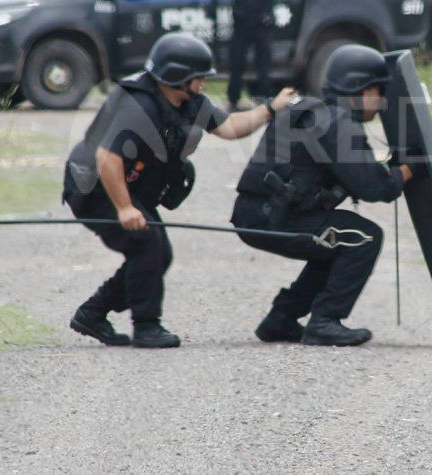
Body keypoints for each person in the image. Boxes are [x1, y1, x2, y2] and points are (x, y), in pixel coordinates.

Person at [63, 33, 296, 348]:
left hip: (124, 184)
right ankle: (146, 327)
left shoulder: (190, 103)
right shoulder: (139, 104)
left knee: (159, 253)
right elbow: (107, 158)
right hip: (96, 188)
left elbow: (229, 127)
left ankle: (93, 312)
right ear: (179, 78)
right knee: (146, 244)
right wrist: (124, 209)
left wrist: (271, 108)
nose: (203, 84)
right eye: (200, 78)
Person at [231, 45, 424, 346]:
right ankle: (325, 321)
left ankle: (280, 320)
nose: (383, 101)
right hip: (274, 218)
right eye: (379, 92)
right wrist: (406, 171)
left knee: (334, 239)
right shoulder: (338, 124)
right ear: (361, 90)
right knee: (364, 237)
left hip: (255, 214)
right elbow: (375, 187)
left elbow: (357, 173)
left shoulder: (313, 111)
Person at [218, 0, 288, 111]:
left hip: (262, 23)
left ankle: (264, 98)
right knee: (237, 61)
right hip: (242, 22)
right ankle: (233, 98)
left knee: (263, 63)